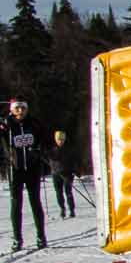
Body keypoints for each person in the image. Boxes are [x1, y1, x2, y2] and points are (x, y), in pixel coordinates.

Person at [5, 99, 48, 252]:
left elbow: (44, 140)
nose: (20, 111)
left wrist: (39, 150)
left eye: (23, 108)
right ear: (12, 110)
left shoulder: (34, 123)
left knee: (35, 201)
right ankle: (17, 238)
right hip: (15, 169)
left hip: (32, 168)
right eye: (17, 108)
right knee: (16, 204)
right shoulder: (7, 125)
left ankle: (41, 236)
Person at [48, 129, 78, 220]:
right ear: (55, 139)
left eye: (62, 139)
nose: (60, 141)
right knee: (58, 192)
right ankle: (62, 209)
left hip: (67, 174)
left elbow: (74, 160)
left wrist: (75, 170)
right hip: (56, 174)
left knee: (68, 191)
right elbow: (51, 158)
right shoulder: (52, 149)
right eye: (58, 139)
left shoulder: (69, 148)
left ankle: (72, 210)